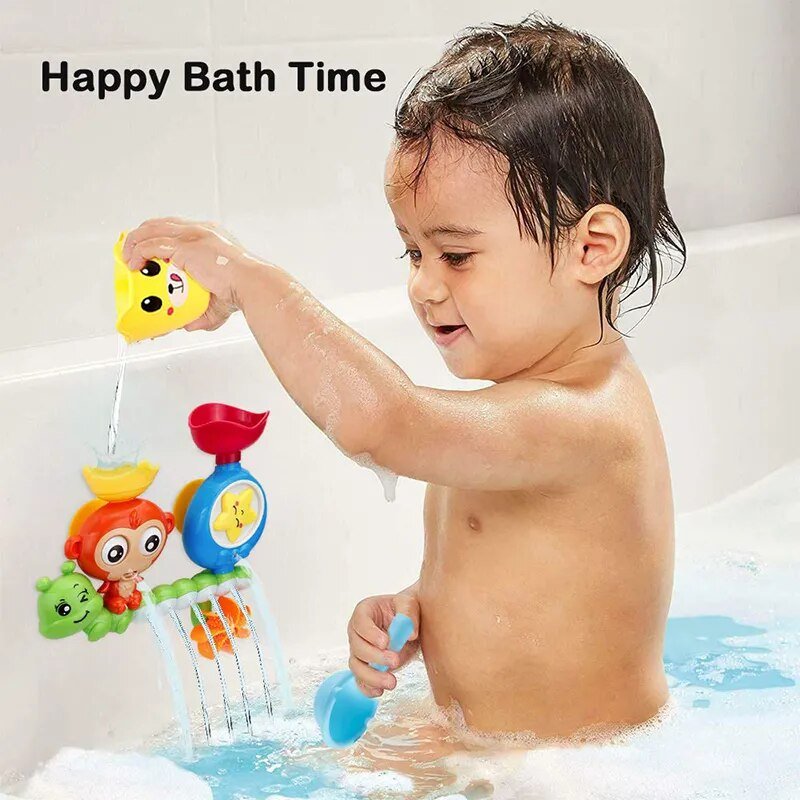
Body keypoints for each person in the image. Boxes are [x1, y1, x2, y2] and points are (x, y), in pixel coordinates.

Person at [122, 14, 685, 740]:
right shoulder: (513, 413)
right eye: (412, 253)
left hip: (579, 770)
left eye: (455, 256)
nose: (422, 286)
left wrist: (249, 281)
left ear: (592, 247)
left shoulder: (589, 418)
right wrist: (420, 608)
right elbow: (526, 581)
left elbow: (383, 423)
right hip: (500, 751)